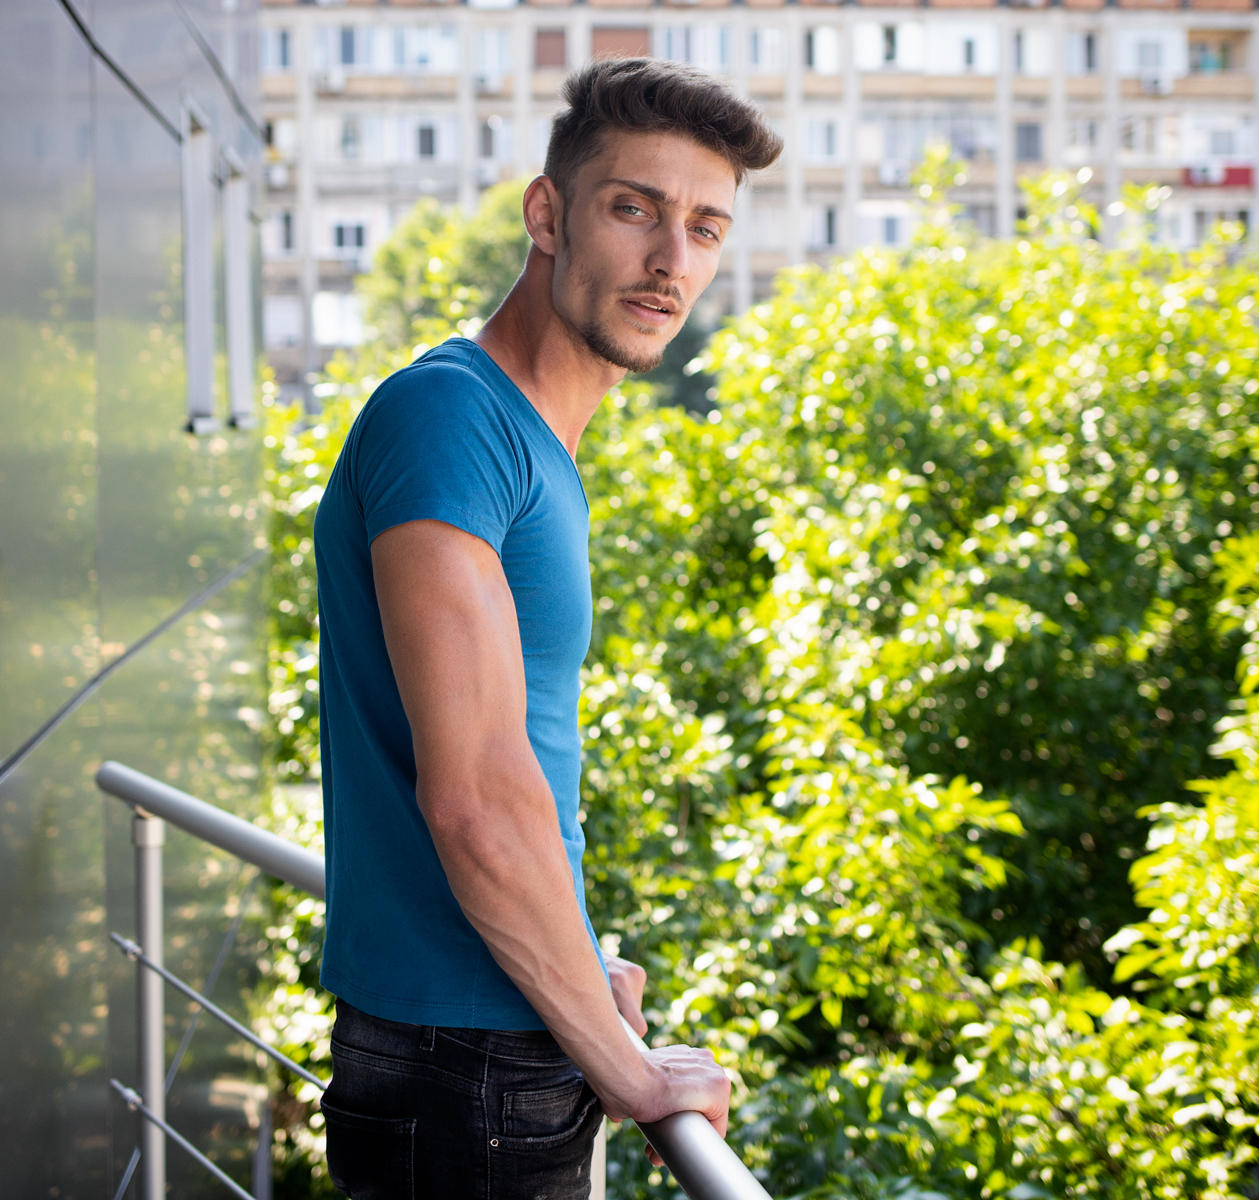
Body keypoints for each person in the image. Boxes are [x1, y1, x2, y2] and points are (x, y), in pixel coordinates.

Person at [310, 57, 783, 1199]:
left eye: (704, 228)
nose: (671, 260)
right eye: (634, 209)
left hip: (484, 1043)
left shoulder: (526, 439)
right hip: (466, 1069)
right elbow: (475, 798)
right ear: (546, 215)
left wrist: (573, 965)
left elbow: (514, 759)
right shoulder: (450, 417)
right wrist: (628, 1069)